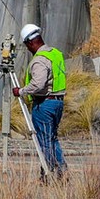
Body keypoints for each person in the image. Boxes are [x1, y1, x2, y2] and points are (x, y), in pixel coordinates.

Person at [17, 23, 68, 175]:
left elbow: (38, 84)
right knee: (52, 138)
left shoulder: (39, 60)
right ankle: (61, 170)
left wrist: (21, 91)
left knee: (44, 141)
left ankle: (49, 172)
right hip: (57, 102)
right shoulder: (55, 53)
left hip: (44, 104)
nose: (28, 49)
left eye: (27, 46)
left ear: (30, 42)